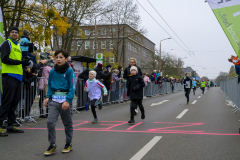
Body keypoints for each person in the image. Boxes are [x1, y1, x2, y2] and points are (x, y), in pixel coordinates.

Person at [43, 49, 76, 156]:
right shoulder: (52, 71)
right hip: (54, 100)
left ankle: (68, 143)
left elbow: (72, 87)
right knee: (50, 122)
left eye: (61, 57)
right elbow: (51, 86)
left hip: (65, 101)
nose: (58, 59)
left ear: (66, 59)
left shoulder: (69, 71)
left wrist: (68, 100)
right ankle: (52, 144)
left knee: (67, 123)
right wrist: (48, 97)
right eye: (56, 57)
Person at [0, 27, 31, 137]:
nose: (14, 34)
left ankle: (10, 125)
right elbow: (4, 59)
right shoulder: (6, 44)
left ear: (18, 34)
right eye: (12, 32)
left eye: (16, 32)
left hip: (17, 77)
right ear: (10, 33)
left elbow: (19, 62)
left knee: (14, 102)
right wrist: (20, 62)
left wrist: (24, 63)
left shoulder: (18, 45)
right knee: (6, 102)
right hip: (8, 76)